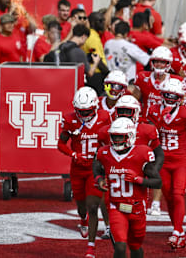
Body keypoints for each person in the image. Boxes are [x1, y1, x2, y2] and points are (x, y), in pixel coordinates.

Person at [143, 77, 186, 249]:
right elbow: (148, 132)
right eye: (167, 94)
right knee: (168, 197)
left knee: (177, 194)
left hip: (180, 160)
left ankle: (176, 232)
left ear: (180, 98)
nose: (170, 98)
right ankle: (179, 232)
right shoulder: (153, 110)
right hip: (162, 161)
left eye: (174, 96)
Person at [93, 118, 162, 258]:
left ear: (130, 136)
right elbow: (96, 166)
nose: (116, 140)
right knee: (120, 246)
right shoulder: (104, 153)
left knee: (135, 246)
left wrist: (138, 179)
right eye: (114, 136)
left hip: (137, 208)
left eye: (120, 136)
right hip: (116, 207)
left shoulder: (142, 153)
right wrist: (99, 179)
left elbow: (157, 182)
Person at [58, 87, 112, 258]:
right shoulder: (70, 120)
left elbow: (109, 142)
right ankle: (83, 219)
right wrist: (74, 154)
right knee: (82, 206)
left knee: (93, 204)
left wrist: (103, 157)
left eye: (87, 111)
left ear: (95, 107)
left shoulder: (104, 117)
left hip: (95, 169)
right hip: (77, 169)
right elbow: (60, 144)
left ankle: (91, 248)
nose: (84, 114)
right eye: (80, 111)